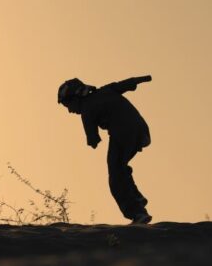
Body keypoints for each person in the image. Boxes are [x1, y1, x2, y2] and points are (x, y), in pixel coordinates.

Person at [58, 76, 153, 224]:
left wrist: (92, 139)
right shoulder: (105, 90)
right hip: (141, 130)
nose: (70, 111)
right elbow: (124, 84)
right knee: (120, 168)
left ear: (77, 97)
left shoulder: (87, 111)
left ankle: (137, 212)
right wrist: (139, 80)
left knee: (115, 177)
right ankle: (137, 197)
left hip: (122, 134)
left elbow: (93, 140)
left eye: (68, 105)